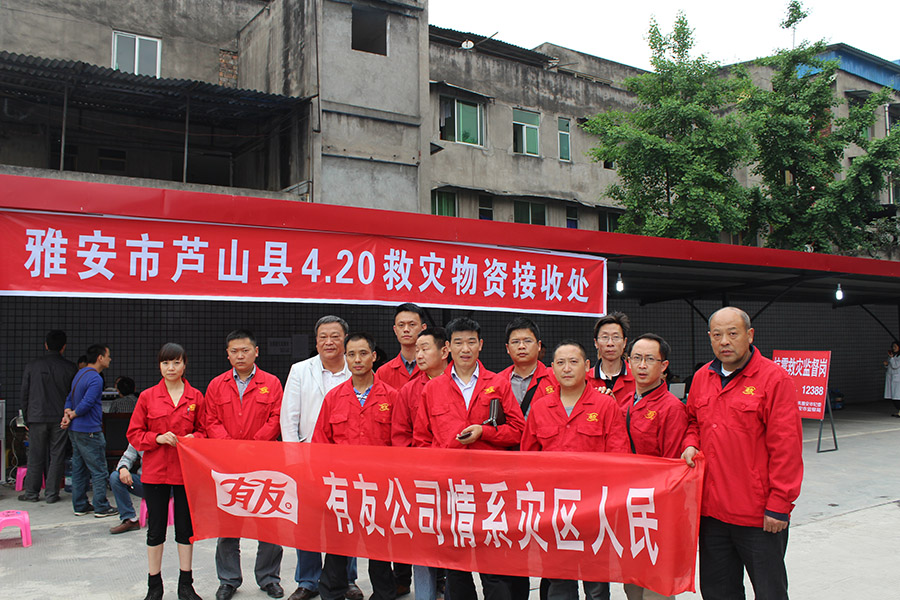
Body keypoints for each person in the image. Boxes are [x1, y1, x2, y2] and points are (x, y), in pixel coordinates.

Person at [681, 307, 803, 600]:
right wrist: (690, 442)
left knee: (770, 591)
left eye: (732, 333)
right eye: (717, 335)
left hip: (757, 515)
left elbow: (786, 446)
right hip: (712, 512)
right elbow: (693, 420)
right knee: (718, 591)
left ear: (749, 335)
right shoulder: (701, 377)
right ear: (710, 338)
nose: (725, 341)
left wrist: (779, 504)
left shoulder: (774, 379)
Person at [414, 317, 527, 600]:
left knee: (494, 565)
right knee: (456, 566)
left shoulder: (498, 384)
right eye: (459, 343)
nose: (465, 349)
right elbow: (421, 441)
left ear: (481, 345)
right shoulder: (432, 389)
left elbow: (518, 430)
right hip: (450, 489)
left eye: (471, 342)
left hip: (490, 489)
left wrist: (484, 432)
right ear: (448, 348)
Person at [521, 340, 629, 600]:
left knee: (596, 586)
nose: (567, 368)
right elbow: (528, 460)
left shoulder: (605, 406)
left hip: (595, 510)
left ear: (587, 365)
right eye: (560, 363)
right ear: (552, 368)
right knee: (559, 582)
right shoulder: (540, 408)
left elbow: (620, 457)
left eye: (573, 362)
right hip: (554, 511)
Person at [313, 332, 398, 600]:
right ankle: (332, 593)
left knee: (379, 547)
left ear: (374, 356)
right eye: (351, 354)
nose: (357, 359)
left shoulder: (392, 397)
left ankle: (383, 594)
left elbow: (400, 444)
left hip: (379, 487)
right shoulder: (334, 397)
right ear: (345, 358)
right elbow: (320, 443)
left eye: (363, 353)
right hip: (342, 486)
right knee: (338, 546)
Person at [282, 316, 361, 600]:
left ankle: (347, 579)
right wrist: (294, 462)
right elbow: (289, 418)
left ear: (345, 340)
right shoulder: (300, 370)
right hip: (308, 459)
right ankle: (308, 580)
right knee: (308, 522)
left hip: (346, 461)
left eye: (335, 336)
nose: (329, 342)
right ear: (316, 342)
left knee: (345, 520)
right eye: (323, 337)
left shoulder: (356, 369)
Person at [205, 330, 285, 600]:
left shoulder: (271, 383)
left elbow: (276, 418)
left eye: (245, 350)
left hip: (264, 463)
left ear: (256, 352)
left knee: (269, 522)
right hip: (228, 465)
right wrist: (231, 447)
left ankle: (269, 578)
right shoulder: (216, 385)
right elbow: (210, 420)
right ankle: (228, 580)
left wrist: (253, 446)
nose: (240, 355)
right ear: (227, 354)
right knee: (229, 524)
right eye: (234, 351)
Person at [127, 342, 206, 600]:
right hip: (156, 471)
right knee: (156, 530)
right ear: (159, 366)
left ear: (184, 365)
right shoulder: (147, 397)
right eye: (165, 363)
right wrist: (157, 438)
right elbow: (134, 434)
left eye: (176, 362)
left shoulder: (196, 397)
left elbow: (205, 430)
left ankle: (186, 585)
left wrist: (195, 437)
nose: (170, 368)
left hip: (186, 472)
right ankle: (154, 586)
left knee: (185, 529)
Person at [620, 334, 687, 600]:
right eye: (636, 358)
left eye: (650, 359)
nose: (642, 365)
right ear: (628, 362)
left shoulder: (671, 408)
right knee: (632, 584)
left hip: (657, 510)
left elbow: (672, 468)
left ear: (664, 365)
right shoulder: (624, 403)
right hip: (628, 506)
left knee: (656, 586)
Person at [391, 327, 450, 600]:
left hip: (456, 480)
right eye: (417, 350)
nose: (419, 355)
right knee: (423, 542)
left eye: (425, 348)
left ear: (444, 351)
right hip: (422, 479)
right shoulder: (409, 390)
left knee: (454, 543)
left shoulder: (461, 385)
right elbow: (400, 436)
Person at [18, 329, 77, 504]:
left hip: (36, 417)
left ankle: (31, 493)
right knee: (57, 455)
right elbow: (73, 395)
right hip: (60, 417)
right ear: (64, 347)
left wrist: (26, 417)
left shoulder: (32, 366)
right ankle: (51, 494)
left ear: (46, 345)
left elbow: (24, 394)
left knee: (35, 455)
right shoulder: (70, 368)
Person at [61, 343, 118, 518]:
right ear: (100, 358)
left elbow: (70, 397)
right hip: (89, 429)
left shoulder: (80, 374)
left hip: (75, 429)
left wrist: (68, 413)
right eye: (108, 356)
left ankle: (80, 505)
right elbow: (88, 402)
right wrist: (73, 414)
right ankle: (101, 506)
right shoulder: (96, 378)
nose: (110, 359)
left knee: (79, 468)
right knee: (99, 469)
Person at [498, 317, 555, 416]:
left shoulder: (555, 377)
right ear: (507, 348)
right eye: (515, 342)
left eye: (527, 341)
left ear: (539, 346)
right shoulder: (498, 381)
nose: (521, 346)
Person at [585, 312, 635, 408]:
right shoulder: (585, 380)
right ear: (596, 343)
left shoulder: (636, 378)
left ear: (624, 342)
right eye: (605, 337)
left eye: (616, 337)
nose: (610, 343)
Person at [377, 303, 428, 391]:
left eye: (412, 324)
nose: (406, 329)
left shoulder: (433, 368)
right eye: (401, 325)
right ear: (395, 330)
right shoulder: (383, 372)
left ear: (423, 328)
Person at [108, 443, 144, 534]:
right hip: (146, 481)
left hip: (169, 483)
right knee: (116, 477)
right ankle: (130, 518)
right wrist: (123, 468)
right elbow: (127, 457)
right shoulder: (139, 437)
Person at [884, 341, 900, 417]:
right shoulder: (892, 356)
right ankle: (899, 411)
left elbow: (895, 366)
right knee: (894, 397)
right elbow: (890, 366)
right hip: (891, 378)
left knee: (897, 396)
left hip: (898, 379)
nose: (894, 348)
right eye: (893, 347)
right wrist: (886, 365)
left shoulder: (897, 357)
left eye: (895, 346)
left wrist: (892, 358)